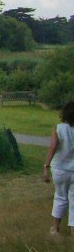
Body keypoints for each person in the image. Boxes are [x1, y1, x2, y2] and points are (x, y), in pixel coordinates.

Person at [43, 101, 74, 236]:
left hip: (60, 170)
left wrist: (46, 166)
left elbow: (53, 147)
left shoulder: (58, 128)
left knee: (60, 197)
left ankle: (55, 229)